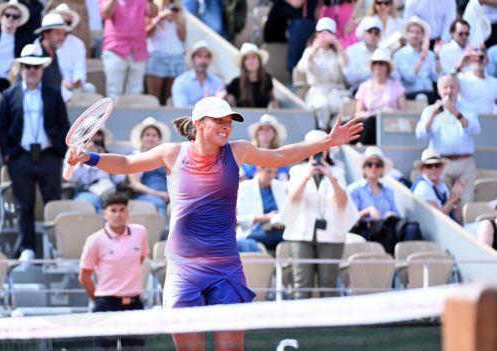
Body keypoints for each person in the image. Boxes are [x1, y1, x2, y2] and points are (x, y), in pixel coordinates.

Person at [66, 96, 363, 350]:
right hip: (184, 268)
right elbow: (128, 164)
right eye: (218, 120)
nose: (226, 126)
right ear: (198, 123)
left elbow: (281, 157)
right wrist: (89, 157)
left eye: (229, 122)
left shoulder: (238, 150)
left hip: (226, 267)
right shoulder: (172, 153)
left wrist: (327, 141)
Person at [0, 44, 69, 261]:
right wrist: (9, 155)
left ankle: (57, 247)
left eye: (36, 66)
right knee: (24, 205)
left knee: (53, 203)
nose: (31, 70)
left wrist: (60, 151)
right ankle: (27, 247)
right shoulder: (10, 95)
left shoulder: (53, 94)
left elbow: (63, 124)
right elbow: (2, 126)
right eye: (27, 66)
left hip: (48, 155)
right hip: (22, 157)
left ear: (42, 69)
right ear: (21, 68)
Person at [282, 130, 358, 299]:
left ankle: (327, 325)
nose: (317, 151)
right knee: (302, 283)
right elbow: (293, 199)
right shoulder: (297, 171)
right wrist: (307, 177)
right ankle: (301, 324)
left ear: (328, 150)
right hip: (301, 233)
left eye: (322, 147)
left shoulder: (337, 172)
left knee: (328, 283)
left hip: (331, 233)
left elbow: (343, 202)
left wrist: (331, 178)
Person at [79, 192, 148, 349]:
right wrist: (100, 301)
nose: (118, 214)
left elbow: (140, 259)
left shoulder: (140, 232)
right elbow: (84, 277)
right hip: (106, 305)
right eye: (113, 210)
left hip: (134, 304)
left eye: (122, 210)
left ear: (128, 212)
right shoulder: (94, 240)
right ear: (105, 213)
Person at [415, 74, 481, 206]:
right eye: (445, 87)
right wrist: (433, 115)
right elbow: (420, 135)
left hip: (465, 163)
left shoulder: (468, 109)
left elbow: (475, 129)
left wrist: (456, 113)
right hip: (440, 165)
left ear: (458, 89)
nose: (449, 91)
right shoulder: (430, 110)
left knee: (466, 203)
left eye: (452, 87)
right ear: (439, 90)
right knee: (443, 204)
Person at [295, 17, 350, 129]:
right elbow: (301, 68)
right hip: (317, 91)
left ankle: (335, 131)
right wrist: (315, 48)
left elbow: (347, 68)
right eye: (321, 32)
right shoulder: (310, 51)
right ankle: (323, 131)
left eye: (328, 32)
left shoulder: (337, 53)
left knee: (347, 105)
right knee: (322, 105)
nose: (325, 36)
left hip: (336, 91)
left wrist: (337, 44)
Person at [347, 147, 401, 240]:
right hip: (366, 229)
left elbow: (397, 214)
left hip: (387, 228)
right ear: (364, 168)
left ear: (382, 169)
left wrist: (391, 214)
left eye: (378, 164)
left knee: (410, 228)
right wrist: (366, 211)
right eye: (369, 164)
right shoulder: (354, 189)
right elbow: (349, 218)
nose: (374, 167)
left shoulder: (388, 191)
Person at [355, 48, 405, 145]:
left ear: (387, 67)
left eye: (381, 63)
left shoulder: (396, 85)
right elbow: (358, 113)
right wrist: (373, 114)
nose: (377, 66)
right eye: (375, 63)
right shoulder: (364, 86)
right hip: (369, 124)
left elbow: (403, 112)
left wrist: (392, 112)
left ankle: (362, 145)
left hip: (390, 124)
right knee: (371, 122)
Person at [99, 0, 148, 98]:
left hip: (138, 49)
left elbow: (153, 13)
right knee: (114, 92)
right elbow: (105, 14)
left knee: (136, 92)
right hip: (115, 48)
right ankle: (113, 114)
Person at [236, 166, 287, 252]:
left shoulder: (279, 186)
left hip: (277, 229)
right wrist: (267, 217)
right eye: (268, 172)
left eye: (275, 173)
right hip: (253, 232)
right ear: (259, 169)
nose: (272, 176)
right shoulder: (244, 187)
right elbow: (239, 219)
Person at [128, 117, 171, 218]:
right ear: (141, 138)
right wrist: (159, 194)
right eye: (147, 135)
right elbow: (135, 185)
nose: (151, 138)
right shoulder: (134, 156)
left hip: (166, 195)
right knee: (158, 204)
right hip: (145, 195)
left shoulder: (166, 157)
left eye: (154, 135)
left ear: (159, 139)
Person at [145, 0, 186, 105]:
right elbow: (146, 33)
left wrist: (177, 21)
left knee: (170, 98)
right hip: (156, 54)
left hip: (176, 55)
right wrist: (159, 18)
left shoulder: (178, 8)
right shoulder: (152, 7)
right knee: (153, 98)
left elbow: (183, 37)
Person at [51, 3, 94, 102]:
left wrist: (75, 83)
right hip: (52, 86)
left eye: (68, 22)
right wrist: (61, 81)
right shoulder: (44, 42)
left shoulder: (77, 44)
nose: (65, 25)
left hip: (73, 87)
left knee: (90, 89)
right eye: (62, 22)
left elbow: (79, 70)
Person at [393, 16, 441, 104]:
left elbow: (436, 77)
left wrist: (437, 56)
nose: (414, 35)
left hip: (430, 93)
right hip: (411, 95)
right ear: (406, 34)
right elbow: (410, 77)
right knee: (421, 98)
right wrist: (422, 58)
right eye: (411, 32)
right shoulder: (400, 55)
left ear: (423, 35)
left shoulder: (430, 54)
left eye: (418, 32)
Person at [411, 148, 464, 223]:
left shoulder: (442, 185)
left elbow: (458, 217)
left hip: (450, 227)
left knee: (485, 224)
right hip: (436, 231)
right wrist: (453, 198)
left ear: (442, 167)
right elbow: (438, 218)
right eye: (429, 166)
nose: (434, 169)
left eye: (437, 165)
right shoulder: (422, 187)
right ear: (423, 169)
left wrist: (457, 198)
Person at [171, 40, 225, 108]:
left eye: (207, 56)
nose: (203, 60)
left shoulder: (217, 81)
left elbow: (221, 108)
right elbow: (181, 108)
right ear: (193, 59)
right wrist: (206, 104)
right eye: (199, 56)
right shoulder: (181, 81)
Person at [226, 42, 278, 108]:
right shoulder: (236, 82)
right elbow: (229, 105)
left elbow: (273, 101)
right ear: (243, 63)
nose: (251, 61)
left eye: (253, 57)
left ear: (259, 60)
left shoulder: (267, 79)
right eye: (246, 58)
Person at [241, 114, 289, 181]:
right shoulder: (248, 153)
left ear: (274, 134)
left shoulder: (280, 155)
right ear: (257, 133)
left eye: (268, 129)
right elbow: (242, 179)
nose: (264, 132)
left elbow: (283, 179)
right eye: (261, 129)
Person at [343, 16, 383, 92]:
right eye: (369, 31)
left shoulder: (384, 51)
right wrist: (373, 70)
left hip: (381, 90)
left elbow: (394, 75)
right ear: (363, 33)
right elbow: (349, 77)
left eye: (376, 33)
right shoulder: (352, 50)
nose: (373, 35)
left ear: (380, 35)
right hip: (358, 90)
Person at [0, 0, 30, 93]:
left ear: (19, 21)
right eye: (7, 15)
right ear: (2, 16)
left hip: (11, 83)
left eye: (15, 16)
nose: (10, 18)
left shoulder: (23, 41)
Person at [33, 13, 68, 92]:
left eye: (63, 33)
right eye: (58, 33)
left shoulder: (54, 53)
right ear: (45, 34)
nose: (62, 37)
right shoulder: (35, 55)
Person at [456, 48, 497, 115]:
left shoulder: (495, 82)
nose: (477, 60)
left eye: (481, 57)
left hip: (488, 122)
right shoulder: (461, 78)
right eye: (474, 58)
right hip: (468, 122)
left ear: (487, 60)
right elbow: (446, 82)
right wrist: (459, 65)